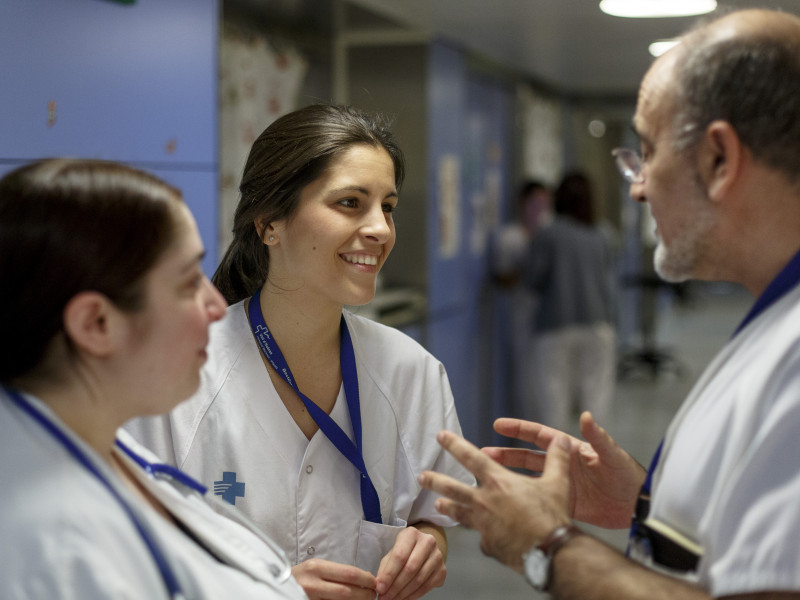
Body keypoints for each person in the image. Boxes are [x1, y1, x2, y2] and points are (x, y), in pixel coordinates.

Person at [420, 8, 800, 600]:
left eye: (645, 153)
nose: (638, 186)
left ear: (719, 160)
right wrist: (650, 500)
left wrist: (544, 543)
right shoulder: (774, 320)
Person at [127, 104, 474, 600]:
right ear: (270, 224)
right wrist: (260, 591)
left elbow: (430, 516)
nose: (380, 228)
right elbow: (130, 554)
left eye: (388, 206)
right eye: (351, 203)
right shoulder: (177, 376)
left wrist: (428, 547)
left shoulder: (411, 372)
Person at [0, 158, 309, 599]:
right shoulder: (54, 548)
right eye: (187, 284)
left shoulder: (90, 438)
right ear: (97, 324)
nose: (216, 305)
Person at [525, 171, 617, 430]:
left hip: (554, 327)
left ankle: (552, 464)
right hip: (598, 324)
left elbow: (533, 279)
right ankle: (595, 463)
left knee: (553, 401)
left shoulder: (547, 234)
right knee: (596, 401)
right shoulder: (602, 234)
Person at [491, 180, 552, 419]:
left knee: (548, 385)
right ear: (522, 203)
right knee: (525, 385)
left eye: (545, 203)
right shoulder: (511, 237)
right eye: (535, 202)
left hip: (551, 322)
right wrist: (527, 268)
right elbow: (501, 277)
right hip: (521, 318)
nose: (540, 208)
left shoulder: (551, 234)